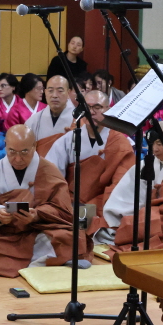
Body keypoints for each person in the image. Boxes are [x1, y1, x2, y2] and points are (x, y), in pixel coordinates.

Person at [0, 125, 79, 277]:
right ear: (5, 145)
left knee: (69, 238)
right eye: (12, 151)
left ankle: (28, 263)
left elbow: (63, 210)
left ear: (34, 146)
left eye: (24, 152)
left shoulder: (49, 171)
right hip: (3, 234)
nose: (18, 158)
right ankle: (41, 263)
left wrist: (38, 215)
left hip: (36, 232)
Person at [46, 90, 134, 232]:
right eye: (87, 107)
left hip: (101, 205)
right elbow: (52, 176)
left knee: (84, 230)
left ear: (108, 110)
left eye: (97, 107)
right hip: (68, 203)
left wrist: (95, 206)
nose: (91, 112)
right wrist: (63, 202)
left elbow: (121, 187)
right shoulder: (69, 139)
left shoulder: (120, 144)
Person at [97, 122, 163, 251]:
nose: (155, 149)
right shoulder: (146, 164)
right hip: (149, 211)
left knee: (151, 223)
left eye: (159, 143)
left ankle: (126, 232)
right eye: (152, 143)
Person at [24, 75, 75, 156]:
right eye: (50, 91)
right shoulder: (33, 121)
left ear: (68, 93)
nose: (54, 95)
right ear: (45, 92)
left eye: (60, 91)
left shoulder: (78, 120)